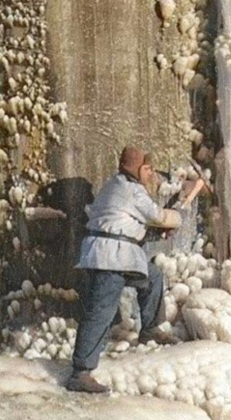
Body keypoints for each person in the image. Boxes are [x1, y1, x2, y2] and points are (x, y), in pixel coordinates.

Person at [65, 145, 204, 394]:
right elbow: (159, 216)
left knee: (153, 277)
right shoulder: (130, 190)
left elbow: (126, 224)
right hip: (110, 257)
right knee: (102, 311)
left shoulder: (115, 186)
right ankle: (80, 372)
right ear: (137, 168)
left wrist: (151, 230)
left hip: (116, 253)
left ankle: (149, 329)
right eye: (148, 169)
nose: (151, 174)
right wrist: (176, 216)